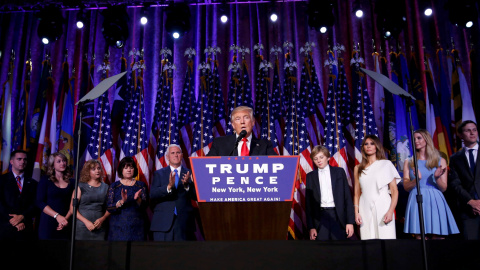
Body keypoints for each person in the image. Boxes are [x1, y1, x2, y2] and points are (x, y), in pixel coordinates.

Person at [403, 129, 459, 239]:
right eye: (414, 139)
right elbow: (405, 186)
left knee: (438, 238)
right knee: (420, 238)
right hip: (416, 198)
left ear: (427, 140)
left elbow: (443, 188)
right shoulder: (409, 161)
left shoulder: (440, 160)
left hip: (435, 200)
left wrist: (437, 177)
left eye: (419, 138)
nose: (416, 141)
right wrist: (416, 181)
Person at [353, 135, 400, 239]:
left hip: (383, 205)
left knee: (386, 239)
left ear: (377, 146)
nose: (369, 146)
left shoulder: (386, 164)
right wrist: (356, 213)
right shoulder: (358, 168)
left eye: (372, 143)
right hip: (364, 206)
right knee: (368, 241)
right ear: (363, 147)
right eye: (366, 144)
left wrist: (391, 211)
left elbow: (394, 191)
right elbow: (356, 193)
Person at [305, 146, 355, 240]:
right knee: (322, 251)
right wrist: (311, 227)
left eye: (321, 157)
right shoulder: (310, 176)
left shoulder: (339, 172)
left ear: (328, 157)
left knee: (339, 250)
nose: (319, 160)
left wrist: (350, 222)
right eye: (315, 159)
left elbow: (347, 197)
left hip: (338, 216)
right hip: (320, 218)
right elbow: (309, 204)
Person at [150, 144, 197, 241]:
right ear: (167, 157)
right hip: (162, 223)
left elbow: (197, 196)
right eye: (172, 153)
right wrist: (168, 187)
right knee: (162, 254)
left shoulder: (191, 173)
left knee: (182, 255)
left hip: (184, 224)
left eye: (178, 153)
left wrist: (187, 186)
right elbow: (153, 194)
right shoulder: (159, 174)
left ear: (182, 155)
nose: (176, 155)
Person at [449, 120, 480, 239]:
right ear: (461, 135)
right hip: (468, 211)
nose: (472, 133)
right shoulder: (455, 158)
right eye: (468, 130)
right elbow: (455, 183)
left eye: (474, 130)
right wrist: (471, 202)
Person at [207, 106, 277, 156]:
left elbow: (276, 164)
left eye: (246, 118)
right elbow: (206, 164)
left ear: (253, 122)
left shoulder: (265, 145)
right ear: (233, 125)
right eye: (238, 119)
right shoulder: (219, 144)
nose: (242, 122)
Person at [107, 157, 148, 241]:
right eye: (125, 168)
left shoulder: (141, 185)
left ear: (134, 170)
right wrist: (122, 201)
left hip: (137, 227)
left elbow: (145, 207)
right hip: (117, 227)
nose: (128, 170)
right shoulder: (114, 186)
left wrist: (138, 199)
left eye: (131, 167)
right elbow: (109, 207)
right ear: (121, 170)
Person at [36, 152, 75, 240]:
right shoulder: (45, 180)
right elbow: (39, 202)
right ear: (52, 165)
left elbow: (73, 204)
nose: (62, 163)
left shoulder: (72, 182)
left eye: (64, 161)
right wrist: (57, 216)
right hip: (48, 222)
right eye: (59, 161)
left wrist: (64, 219)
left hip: (66, 222)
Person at [0, 150, 38, 240]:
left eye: (25, 159)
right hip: (5, 228)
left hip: (25, 229)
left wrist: (22, 216)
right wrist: (15, 222)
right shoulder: (1, 180)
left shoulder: (33, 183)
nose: (22, 162)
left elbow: (35, 204)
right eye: (19, 159)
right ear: (11, 161)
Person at [70, 159, 110, 240]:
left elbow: (110, 207)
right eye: (93, 169)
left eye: (98, 168)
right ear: (88, 172)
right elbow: (72, 209)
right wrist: (86, 222)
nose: (97, 171)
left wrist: (102, 219)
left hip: (99, 227)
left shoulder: (106, 187)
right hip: (82, 227)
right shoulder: (80, 186)